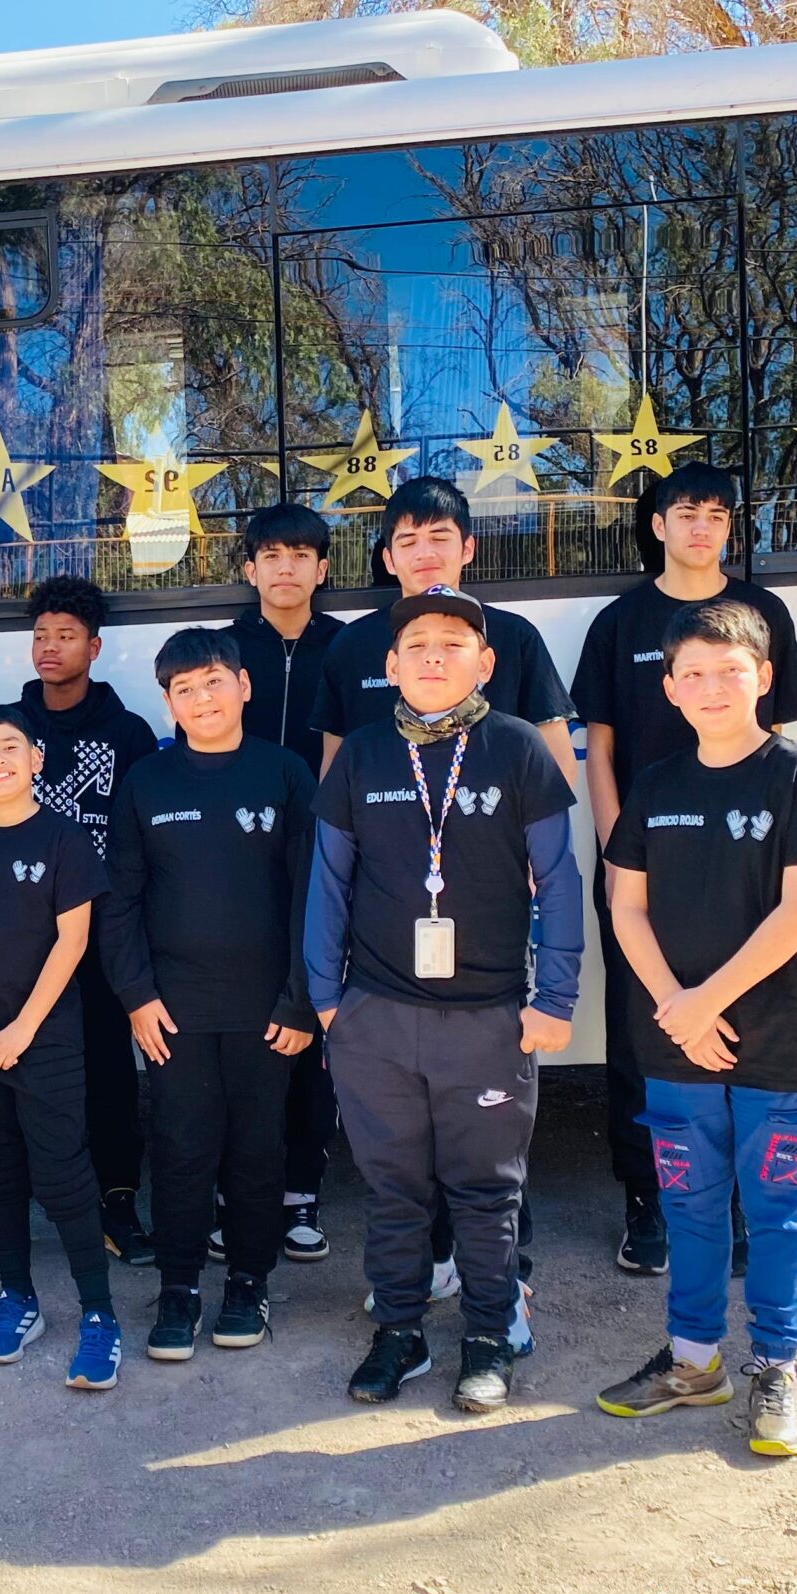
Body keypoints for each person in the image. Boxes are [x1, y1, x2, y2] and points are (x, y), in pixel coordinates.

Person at [306, 588, 581, 1413]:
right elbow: (328, 883)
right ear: (390, 666)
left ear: (485, 663)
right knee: (393, 1193)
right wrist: (328, 1002)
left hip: (491, 1020)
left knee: (487, 1191)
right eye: (417, 643)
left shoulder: (518, 750)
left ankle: (490, 1338)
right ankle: (399, 1332)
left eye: (454, 643)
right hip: (375, 1020)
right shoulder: (359, 754)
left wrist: (554, 997)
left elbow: (560, 881)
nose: (433, 655)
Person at [594, 599, 797, 1457]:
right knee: (691, 1211)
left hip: (779, 1042)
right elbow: (625, 905)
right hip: (675, 1044)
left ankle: (777, 1366)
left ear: (764, 678)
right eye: (693, 674)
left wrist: (707, 1001)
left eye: (730, 671)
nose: (712, 687)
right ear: (669, 688)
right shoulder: (658, 785)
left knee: (779, 1216)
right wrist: (678, 1002)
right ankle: (693, 1361)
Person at [571, 461, 797, 1276]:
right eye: (685, 512)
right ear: (657, 526)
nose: (702, 525)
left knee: (747, 1021)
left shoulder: (764, 614)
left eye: (717, 512)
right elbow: (597, 748)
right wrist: (615, 853)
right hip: (643, 868)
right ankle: (648, 1204)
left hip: (747, 863)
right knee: (643, 1037)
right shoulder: (619, 622)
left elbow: (781, 744)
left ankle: (732, 1205)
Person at [101, 627, 317, 1363]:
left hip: (268, 1012)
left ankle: (249, 1283)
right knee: (182, 1149)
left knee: (259, 1152)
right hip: (173, 1013)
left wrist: (300, 999)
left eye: (214, 682)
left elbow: (313, 896)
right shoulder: (147, 783)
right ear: (167, 703)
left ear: (244, 686)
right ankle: (179, 1287)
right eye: (184, 689)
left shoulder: (285, 774)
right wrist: (135, 995)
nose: (202, 699)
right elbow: (120, 899)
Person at [0, 574, 160, 1272]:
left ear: (94, 647)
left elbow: (135, 839)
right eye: (40, 635)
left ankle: (115, 1202)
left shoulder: (127, 733)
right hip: (6, 934)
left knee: (104, 1072)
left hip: (91, 929)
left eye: (66, 635)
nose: (50, 647)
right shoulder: (3, 726)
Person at [0, 705, 123, 1391]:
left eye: (10, 746)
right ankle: (18, 1298)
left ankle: (100, 1315)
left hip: (44, 1045)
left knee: (66, 1178)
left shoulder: (67, 842)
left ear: (36, 759)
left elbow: (72, 943)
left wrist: (20, 1032)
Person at [229, 503, 345, 1263]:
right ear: (249, 569)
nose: (285, 569)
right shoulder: (225, 650)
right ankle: (234, 1189)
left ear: (322, 569)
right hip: (235, 866)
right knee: (241, 1026)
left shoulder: (350, 647)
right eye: (271, 555)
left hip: (326, 858)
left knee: (311, 1023)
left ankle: (301, 1192)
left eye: (301, 555)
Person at [309, 475, 576, 784]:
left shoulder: (515, 637)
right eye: (408, 541)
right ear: (389, 559)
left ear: (467, 548)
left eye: (439, 537)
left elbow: (558, 764)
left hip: (491, 828)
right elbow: (334, 767)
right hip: (384, 831)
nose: (425, 553)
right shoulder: (351, 644)